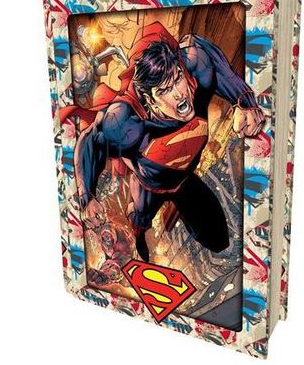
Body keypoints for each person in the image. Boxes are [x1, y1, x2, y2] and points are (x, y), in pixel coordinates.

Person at [70, 22, 264, 262]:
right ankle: (140, 234)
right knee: (140, 222)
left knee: (218, 240)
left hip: (184, 180)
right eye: (164, 90)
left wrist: (244, 101)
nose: (179, 94)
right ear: (150, 100)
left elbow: (208, 54)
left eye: (177, 79)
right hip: (149, 188)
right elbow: (89, 141)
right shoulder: (125, 122)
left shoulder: (195, 65)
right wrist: (87, 196)